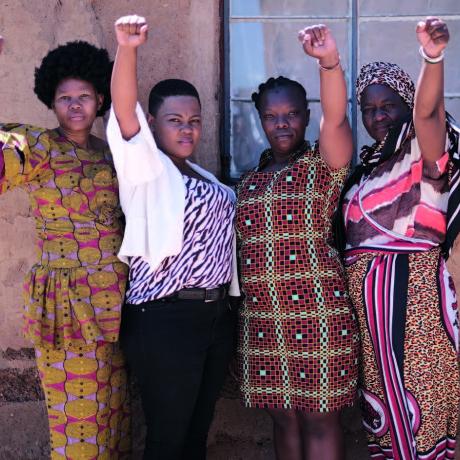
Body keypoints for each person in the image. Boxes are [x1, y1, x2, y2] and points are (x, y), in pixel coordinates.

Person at [106, 15, 240, 460]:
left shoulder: (203, 175)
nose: (187, 128)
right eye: (174, 120)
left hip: (215, 316)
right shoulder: (144, 168)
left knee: (196, 433)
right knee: (167, 437)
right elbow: (125, 110)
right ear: (153, 125)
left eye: (195, 120)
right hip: (165, 319)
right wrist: (128, 48)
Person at [0, 37, 130, 458]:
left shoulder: (110, 155)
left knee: (114, 419)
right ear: (50, 102)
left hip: (117, 305)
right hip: (68, 307)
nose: (75, 106)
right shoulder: (37, 147)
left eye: (84, 97)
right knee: (78, 428)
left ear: (100, 99)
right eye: (64, 98)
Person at [337, 17, 460, 458]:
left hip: (415, 312)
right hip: (373, 322)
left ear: (407, 102)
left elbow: (429, 111)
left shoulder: (423, 149)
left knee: (420, 415)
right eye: (368, 109)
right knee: (384, 422)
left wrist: (432, 56)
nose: (377, 116)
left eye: (387, 104)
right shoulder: (366, 166)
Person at [235, 25, 359, 460]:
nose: (282, 122)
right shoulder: (249, 181)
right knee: (282, 417)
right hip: (264, 320)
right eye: (272, 116)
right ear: (261, 119)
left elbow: (339, 119)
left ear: (306, 117)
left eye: (291, 114)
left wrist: (327, 62)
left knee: (320, 416)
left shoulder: (322, 166)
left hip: (319, 315)